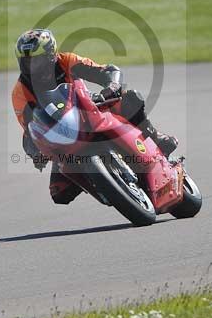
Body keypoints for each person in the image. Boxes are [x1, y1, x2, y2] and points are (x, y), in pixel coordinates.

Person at [12, 28, 178, 205]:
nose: (32, 66)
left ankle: (154, 136)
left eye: (36, 60)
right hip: (63, 136)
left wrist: (112, 86)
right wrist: (35, 152)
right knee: (60, 193)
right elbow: (30, 128)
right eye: (26, 61)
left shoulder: (67, 60)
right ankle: (100, 182)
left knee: (129, 98)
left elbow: (105, 70)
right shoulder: (20, 92)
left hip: (89, 112)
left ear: (51, 54)